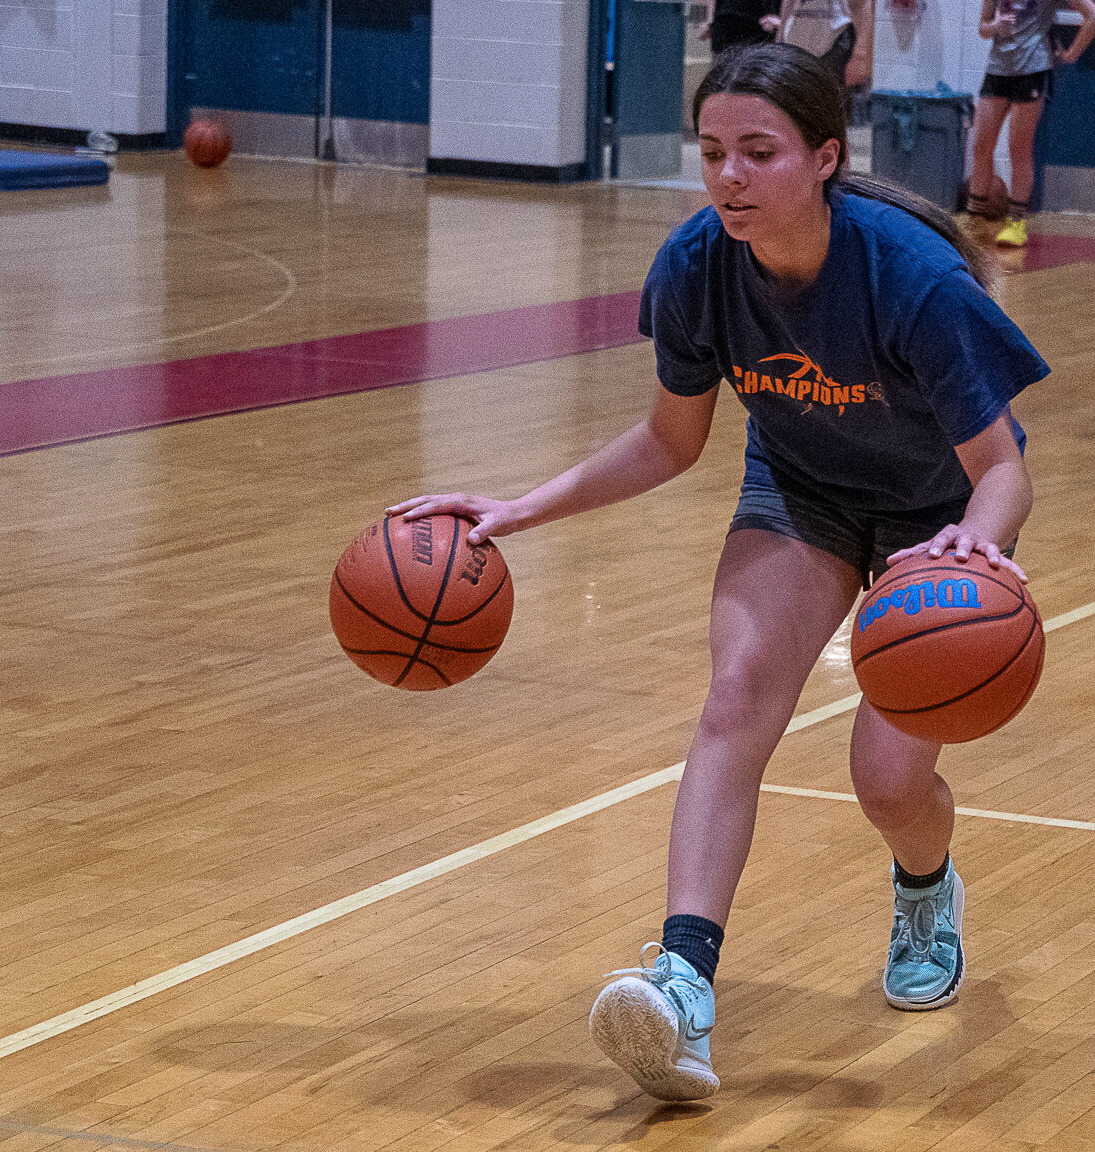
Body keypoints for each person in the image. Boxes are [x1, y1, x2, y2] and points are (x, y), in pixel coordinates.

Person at [389, 43, 1049, 1103]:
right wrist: (519, 508)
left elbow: (1004, 472)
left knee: (888, 781)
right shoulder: (699, 265)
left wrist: (976, 540)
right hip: (804, 489)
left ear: (825, 157)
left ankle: (924, 887)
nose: (730, 177)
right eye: (712, 153)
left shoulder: (913, 279)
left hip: (939, 517)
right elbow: (668, 441)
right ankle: (684, 983)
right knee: (735, 698)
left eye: (758, 152)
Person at [966, 0, 1095, 247]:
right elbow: (983, 29)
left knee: (1019, 149)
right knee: (981, 145)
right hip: (997, 70)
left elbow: (1093, 16)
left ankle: (1016, 223)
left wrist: (1072, 54)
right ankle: (974, 219)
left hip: (1032, 69)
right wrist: (995, 25)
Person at [777, 0, 874, 94]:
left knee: (828, 100)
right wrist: (780, 44)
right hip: (798, 40)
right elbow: (788, 5)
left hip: (835, 39)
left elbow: (862, 6)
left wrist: (859, 56)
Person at [699, 0, 781, 57]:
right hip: (725, 19)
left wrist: (780, 21)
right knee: (722, 71)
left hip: (760, 23)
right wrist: (709, 20)